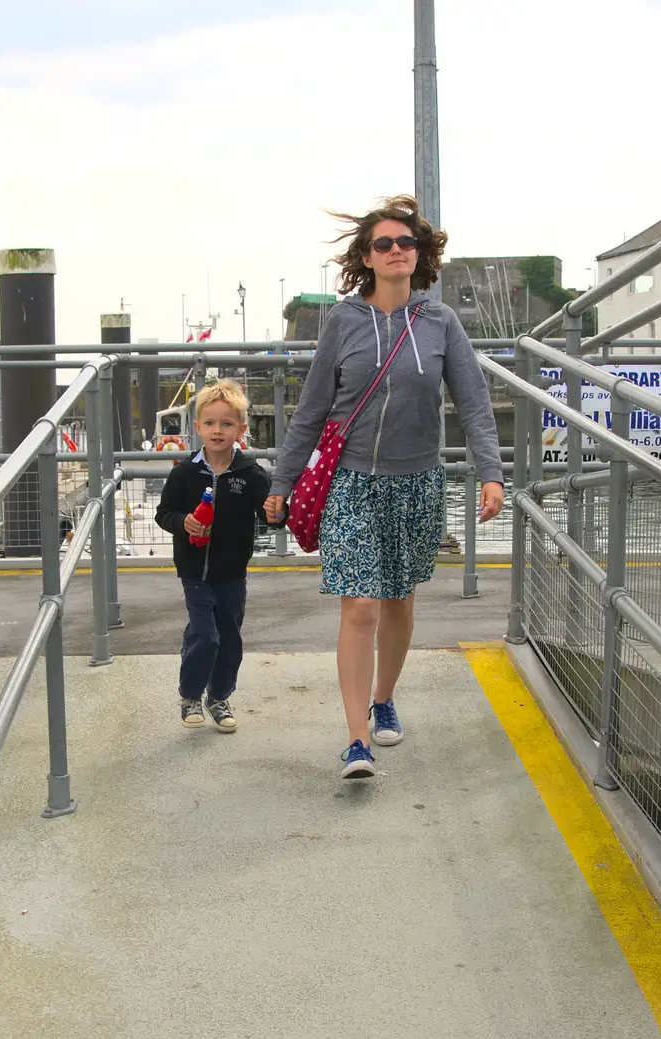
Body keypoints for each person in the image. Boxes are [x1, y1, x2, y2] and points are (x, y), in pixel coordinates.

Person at [265, 195, 504, 779]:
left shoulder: (440, 322)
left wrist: (492, 472)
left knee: (399, 600)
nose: (396, 251)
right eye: (384, 244)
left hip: (417, 481)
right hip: (351, 481)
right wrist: (282, 481)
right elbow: (311, 410)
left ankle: (384, 698)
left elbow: (473, 404)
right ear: (367, 257)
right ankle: (355, 741)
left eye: (406, 243)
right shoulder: (343, 322)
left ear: (420, 255)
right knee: (361, 603)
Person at [155, 380, 275, 733]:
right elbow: (164, 513)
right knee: (205, 634)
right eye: (210, 423)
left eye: (226, 424)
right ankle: (190, 695)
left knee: (230, 636)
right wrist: (183, 523)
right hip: (193, 571)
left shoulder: (251, 475)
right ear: (197, 427)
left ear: (241, 428)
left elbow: (269, 520)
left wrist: (276, 513)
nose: (218, 431)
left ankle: (219, 696)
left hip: (232, 572)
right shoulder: (184, 473)